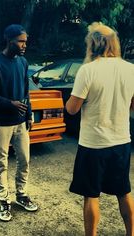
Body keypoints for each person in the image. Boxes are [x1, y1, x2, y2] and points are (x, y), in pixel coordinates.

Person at [66, 22, 134, 236]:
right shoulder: (131, 69)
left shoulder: (87, 70)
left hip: (93, 144)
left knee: (91, 195)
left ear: (92, 44)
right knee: (124, 192)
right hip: (121, 142)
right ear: (114, 43)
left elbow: (72, 109)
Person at [0, 24, 38, 222]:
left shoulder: (23, 62)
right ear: (9, 40)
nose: (24, 45)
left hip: (21, 122)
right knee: (1, 162)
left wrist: (28, 113)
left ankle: (21, 195)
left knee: (24, 160)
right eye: (21, 41)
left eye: (25, 42)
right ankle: (4, 200)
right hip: (1, 123)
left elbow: (25, 91)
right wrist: (9, 104)